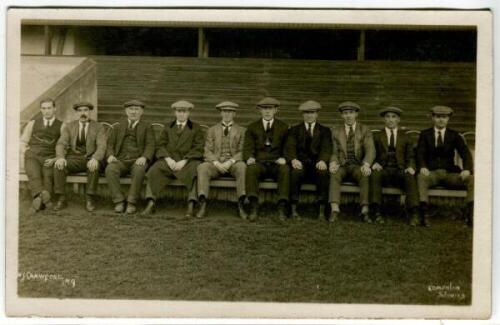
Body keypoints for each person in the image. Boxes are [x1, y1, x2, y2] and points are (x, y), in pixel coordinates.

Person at [141, 100, 205, 217]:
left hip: (187, 162)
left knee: (195, 170)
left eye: (184, 112)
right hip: (169, 161)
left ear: (189, 113)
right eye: (179, 111)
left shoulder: (195, 128)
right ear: (175, 112)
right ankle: (151, 202)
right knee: (154, 170)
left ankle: (191, 204)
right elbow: (160, 145)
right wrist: (168, 159)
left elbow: (198, 148)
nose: (181, 114)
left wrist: (184, 160)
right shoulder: (167, 127)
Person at [416, 105, 474, 227]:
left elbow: (466, 154)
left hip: (450, 174)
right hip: (432, 173)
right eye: (438, 117)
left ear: (448, 119)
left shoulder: (454, 135)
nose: (441, 120)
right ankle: (424, 216)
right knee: (421, 177)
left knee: (472, 179)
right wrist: (422, 166)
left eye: (444, 117)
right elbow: (419, 153)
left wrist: (467, 169)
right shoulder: (425, 134)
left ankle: (470, 216)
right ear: (433, 118)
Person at [196, 101, 247, 219]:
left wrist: (230, 162)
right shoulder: (212, 130)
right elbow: (207, 150)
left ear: (234, 114)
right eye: (224, 111)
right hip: (216, 164)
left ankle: (241, 204)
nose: (227, 114)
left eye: (230, 112)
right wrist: (216, 163)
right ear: (221, 113)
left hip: (233, 163)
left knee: (242, 167)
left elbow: (242, 151)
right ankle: (203, 204)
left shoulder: (242, 130)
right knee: (202, 167)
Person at [370, 106, 419, 225]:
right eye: (388, 117)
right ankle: (376, 211)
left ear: (398, 120)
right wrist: (374, 163)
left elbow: (411, 156)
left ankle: (414, 213)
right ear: (384, 120)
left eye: (394, 117)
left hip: (399, 170)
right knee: (375, 175)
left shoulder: (406, 137)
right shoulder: (376, 136)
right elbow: (370, 152)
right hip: (383, 169)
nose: (391, 120)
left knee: (410, 176)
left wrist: (411, 167)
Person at [53, 101, 107, 212]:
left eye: (85, 110)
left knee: (93, 166)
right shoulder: (69, 126)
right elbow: (61, 143)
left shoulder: (98, 127)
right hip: (75, 159)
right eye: (80, 110)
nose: (83, 113)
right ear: (76, 113)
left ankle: (90, 198)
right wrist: (61, 157)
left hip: (90, 158)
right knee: (58, 165)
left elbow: (102, 146)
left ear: (90, 112)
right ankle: (62, 198)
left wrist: (95, 158)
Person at [243, 97, 290, 221]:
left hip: (276, 163)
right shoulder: (252, 127)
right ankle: (254, 206)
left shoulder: (284, 127)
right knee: (251, 169)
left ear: (276, 110)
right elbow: (248, 147)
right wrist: (249, 158)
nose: (267, 111)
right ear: (260, 110)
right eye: (264, 109)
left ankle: (281, 207)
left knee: (285, 170)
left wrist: (284, 158)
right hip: (260, 163)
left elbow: (288, 146)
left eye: (270, 109)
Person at [104, 100, 155, 214]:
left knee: (139, 170)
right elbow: (110, 144)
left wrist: (145, 157)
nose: (133, 112)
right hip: (120, 160)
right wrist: (110, 155)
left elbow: (150, 144)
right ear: (126, 111)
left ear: (141, 112)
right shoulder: (117, 126)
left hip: (137, 160)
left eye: (137, 109)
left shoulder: (147, 127)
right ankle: (119, 201)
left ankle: (132, 202)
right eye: (131, 109)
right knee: (110, 169)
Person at [329, 101, 375, 224]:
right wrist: (333, 162)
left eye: (351, 113)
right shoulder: (336, 131)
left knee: (364, 175)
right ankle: (335, 209)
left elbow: (370, 149)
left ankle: (365, 210)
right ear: (342, 116)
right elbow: (333, 151)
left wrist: (366, 164)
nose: (348, 116)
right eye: (345, 113)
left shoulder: (364, 129)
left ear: (356, 114)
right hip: (342, 165)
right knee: (334, 174)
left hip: (358, 165)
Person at [285, 100, 332, 220]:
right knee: (295, 173)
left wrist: (322, 160)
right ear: (302, 114)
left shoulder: (325, 130)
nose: (309, 115)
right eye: (306, 113)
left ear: (317, 114)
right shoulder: (294, 130)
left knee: (323, 173)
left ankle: (321, 210)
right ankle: (293, 209)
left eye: (312, 112)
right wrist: (294, 160)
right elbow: (289, 147)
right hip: (301, 164)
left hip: (317, 164)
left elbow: (326, 148)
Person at [20, 98, 64, 212]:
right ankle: (45, 200)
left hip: (49, 157)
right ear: (40, 110)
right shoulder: (32, 123)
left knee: (48, 177)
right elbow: (23, 141)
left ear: (54, 109)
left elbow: (64, 145)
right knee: (34, 174)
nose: (46, 111)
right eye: (43, 108)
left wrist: (55, 159)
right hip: (32, 155)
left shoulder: (62, 125)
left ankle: (38, 200)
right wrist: (26, 151)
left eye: (49, 108)